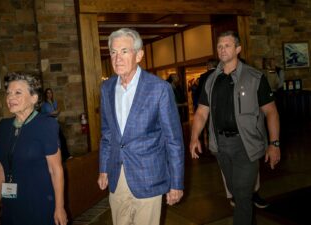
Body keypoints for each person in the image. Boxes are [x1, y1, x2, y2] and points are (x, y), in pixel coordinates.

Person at [189, 31, 281, 225]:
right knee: (235, 192)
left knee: (242, 194)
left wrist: (274, 143)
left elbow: (271, 112)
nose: (222, 49)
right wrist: (194, 137)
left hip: (246, 145)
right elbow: (201, 113)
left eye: (227, 45)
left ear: (238, 49)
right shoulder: (210, 80)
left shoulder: (255, 77)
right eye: (219, 46)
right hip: (220, 145)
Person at [98, 28, 184, 225]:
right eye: (113, 52)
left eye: (124, 51)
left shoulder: (159, 88)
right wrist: (103, 168)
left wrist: (176, 183)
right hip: (117, 176)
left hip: (149, 177)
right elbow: (107, 134)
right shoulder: (107, 88)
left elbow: (173, 140)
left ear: (139, 55)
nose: (117, 58)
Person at [0, 72, 67, 225]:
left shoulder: (46, 125)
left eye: (18, 92)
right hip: (11, 201)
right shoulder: (4, 126)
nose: (10, 97)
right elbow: (3, 166)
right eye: (8, 93)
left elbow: (55, 169)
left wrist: (59, 207)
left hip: (39, 201)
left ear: (34, 98)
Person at [41, 88, 71, 161]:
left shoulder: (54, 102)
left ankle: (66, 156)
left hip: (56, 123)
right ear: (45, 94)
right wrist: (50, 114)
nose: (49, 94)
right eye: (48, 93)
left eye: (50, 93)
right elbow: (42, 115)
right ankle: (58, 158)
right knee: (55, 141)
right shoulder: (44, 105)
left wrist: (57, 111)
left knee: (62, 139)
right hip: (49, 124)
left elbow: (57, 111)